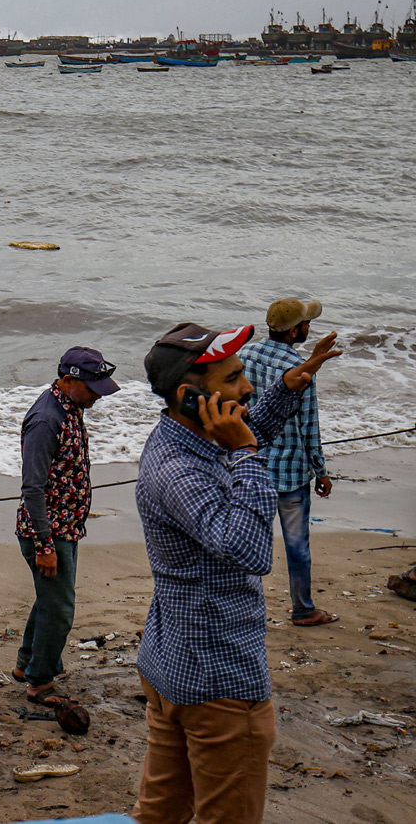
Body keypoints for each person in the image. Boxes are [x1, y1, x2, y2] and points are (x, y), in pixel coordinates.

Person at [133, 321, 339, 824]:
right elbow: (249, 550)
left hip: (174, 664)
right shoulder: (180, 472)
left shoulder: (188, 438)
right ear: (189, 397)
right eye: (233, 379)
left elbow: (242, 426)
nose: (247, 387)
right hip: (218, 680)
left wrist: (288, 389)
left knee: (161, 814)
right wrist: (249, 455)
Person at [14, 347, 119, 704]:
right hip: (47, 532)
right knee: (60, 608)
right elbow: (32, 487)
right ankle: (39, 683)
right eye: (93, 388)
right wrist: (44, 545)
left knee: (51, 599)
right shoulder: (46, 420)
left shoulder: (71, 407)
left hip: (66, 527)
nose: (97, 396)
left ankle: (27, 663)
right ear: (68, 380)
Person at [239, 298, 338, 627]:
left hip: (250, 467)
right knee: (297, 546)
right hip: (292, 472)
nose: (309, 328)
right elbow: (309, 425)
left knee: (250, 545)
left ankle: (244, 612)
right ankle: (302, 609)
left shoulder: (245, 355)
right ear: (295, 330)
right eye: (306, 323)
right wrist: (321, 471)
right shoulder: (300, 367)